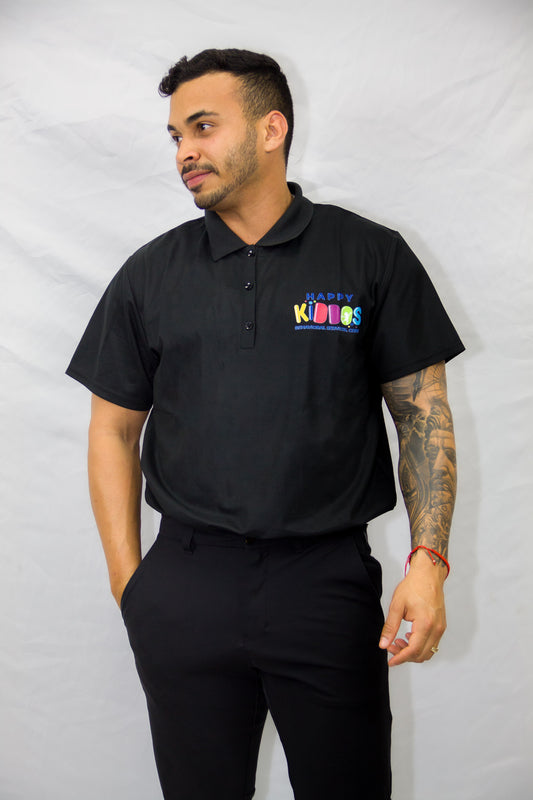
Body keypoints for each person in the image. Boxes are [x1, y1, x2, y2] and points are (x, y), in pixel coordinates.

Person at [66, 48, 464, 800]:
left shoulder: (369, 256)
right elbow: (112, 430)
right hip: (185, 583)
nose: (185, 151)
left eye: (203, 126)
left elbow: (422, 415)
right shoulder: (150, 274)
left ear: (271, 128)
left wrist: (427, 561)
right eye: (176, 135)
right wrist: (131, 585)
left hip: (324, 584)